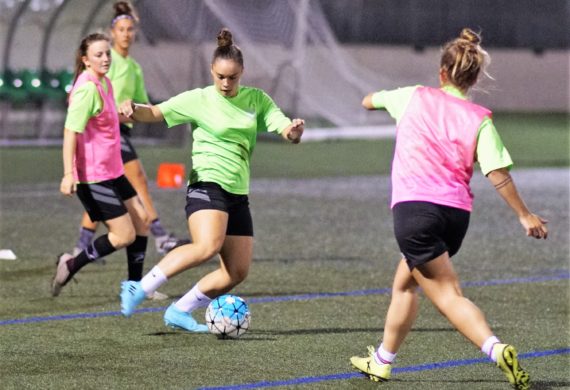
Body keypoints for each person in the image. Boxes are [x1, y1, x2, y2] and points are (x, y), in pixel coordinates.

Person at [350, 28, 547, 390]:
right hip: (455, 217)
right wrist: (524, 214)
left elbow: (367, 101)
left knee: (447, 296)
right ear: (473, 79)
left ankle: (495, 348)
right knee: (404, 284)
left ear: (442, 73)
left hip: (414, 213)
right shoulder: (479, 118)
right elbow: (497, 173)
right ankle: (381, 361)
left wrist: (378, 98)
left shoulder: (412, 97)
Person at [117, 28, 305, 332]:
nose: (226, 83)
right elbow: (154, 112)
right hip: (206, 183)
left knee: (236, 272)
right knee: (206, 246)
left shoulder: (256, 100)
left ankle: (180, 309)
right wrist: (132, 108)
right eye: (220, 77)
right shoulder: (199, 99)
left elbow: (283, 127)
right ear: (212, 72)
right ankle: (138, 286)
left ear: (242, 72)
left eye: (232, 77)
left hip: (237, 192)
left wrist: (293, 132)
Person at [70, 1, 182, 264]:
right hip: (109, 133)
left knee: (109, 189)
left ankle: (81, 246)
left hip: (123, 131)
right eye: (121, 29)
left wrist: (167, 111)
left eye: (130, 29)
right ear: (113, 32)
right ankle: (160, 235)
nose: (126, 34)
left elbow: (142, 103)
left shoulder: (134, 67)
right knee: (139, 178)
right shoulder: (110, 62)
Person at [53, 33, 150, 297]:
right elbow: (70, 131)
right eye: (99, 55)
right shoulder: (86, 89)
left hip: (113, 171)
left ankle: (134, 288)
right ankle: (71, 263)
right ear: (85, 61)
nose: (106, 58)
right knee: (124, 236)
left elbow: (107, 117)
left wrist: (129, 109)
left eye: (107, 53)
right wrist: (68, 174)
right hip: (94, 177)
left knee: (142, 220)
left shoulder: (104, 82)